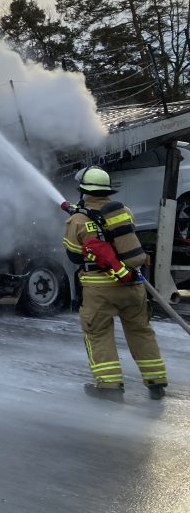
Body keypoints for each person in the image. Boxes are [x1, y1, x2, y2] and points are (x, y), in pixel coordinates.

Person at [62, 165, 167, 401]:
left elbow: (74, 256)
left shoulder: (77, 220)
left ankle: (109, 387)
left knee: (98, 333)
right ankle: (156, 382)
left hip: (99, 288)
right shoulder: (124, 212)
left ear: (83, 191)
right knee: (141, 331)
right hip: (133, 285)